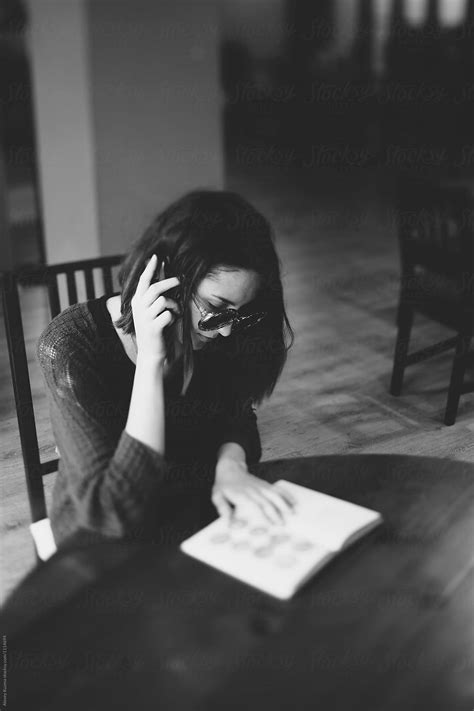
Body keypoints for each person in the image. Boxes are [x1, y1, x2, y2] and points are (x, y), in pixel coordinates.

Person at [37, 189, 295, 548]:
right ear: (168, 281)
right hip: (99, 544)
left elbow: (236, 413)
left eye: (240, 313)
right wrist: (150, 362)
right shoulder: (70, 345)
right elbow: (111, 512)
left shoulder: (218, 329)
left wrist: (230, 466)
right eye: (216, 308)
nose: (225, 330)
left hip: (192, 514)